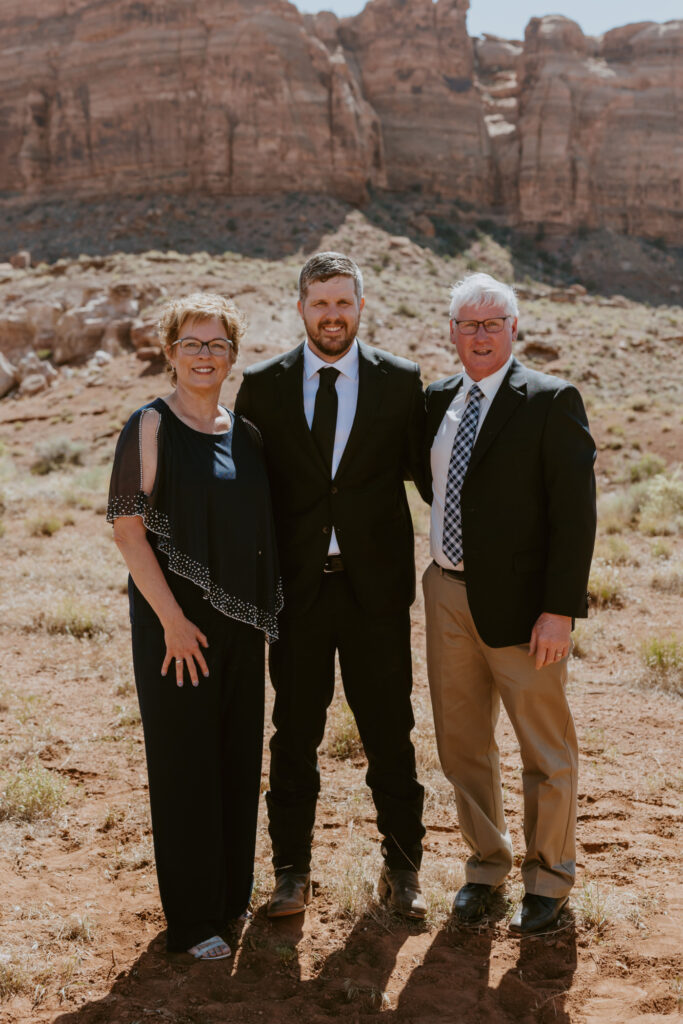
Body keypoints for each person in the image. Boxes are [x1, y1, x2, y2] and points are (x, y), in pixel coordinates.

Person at [235, 252, 428, 920]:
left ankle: (403, 874)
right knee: (293, 735)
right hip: (297, 595)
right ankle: (291, 874)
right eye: (320, 304)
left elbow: (429, 481)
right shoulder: (262, 385)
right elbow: (245, 492)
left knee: (390, 734)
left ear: (361, 307)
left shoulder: (401, 383)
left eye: (343, 303)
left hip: (374, 594)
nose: (332, 315)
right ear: (300, 308)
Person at [107, 293, 282, 960]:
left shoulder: (247, 433)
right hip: (175, 627)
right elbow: (128, 531)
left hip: (239, 625)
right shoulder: (148, 426)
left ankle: (230, 898)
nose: (203, 356)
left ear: (233, 357)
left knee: (238, 761)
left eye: (216, 345)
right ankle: (191, 922)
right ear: (170, 351)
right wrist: (175, 622)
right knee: (185, 766)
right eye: (191, 343)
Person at [423, 272, 596, 935]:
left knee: (543, 749)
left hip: (527, 610)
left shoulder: (550, 400)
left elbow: (574, 515)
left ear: (514, 329)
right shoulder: (436, 400)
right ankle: (485, 869)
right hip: (446, 595)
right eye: (468, 324)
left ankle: (547, 881)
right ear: (451, 333)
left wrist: (558, 609)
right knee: (460, 745)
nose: (481, 335)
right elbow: (433, 487)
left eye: (493, 323)